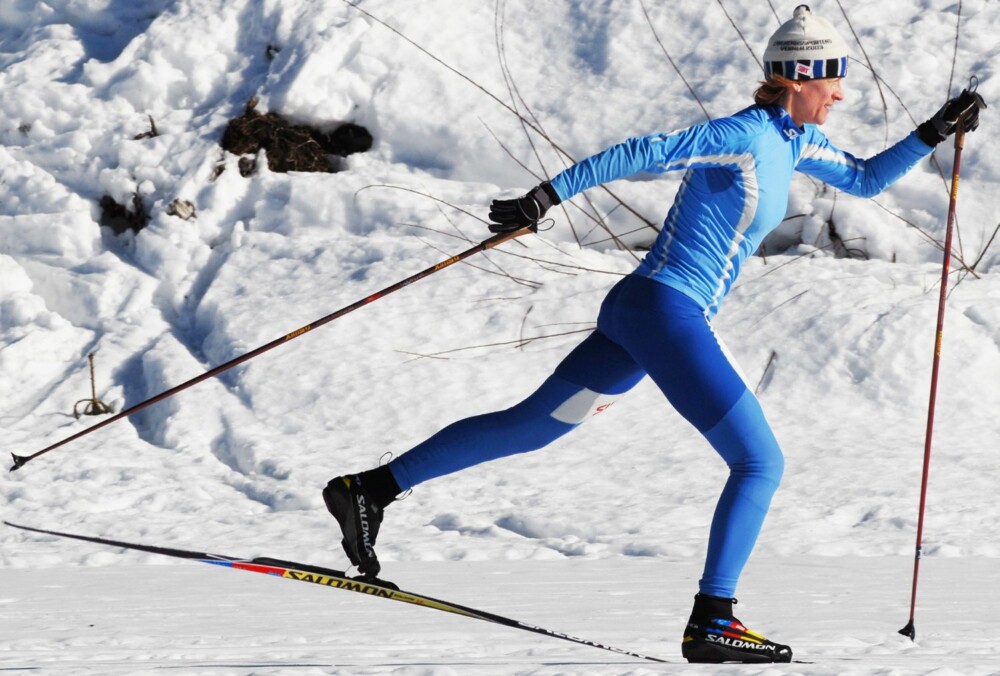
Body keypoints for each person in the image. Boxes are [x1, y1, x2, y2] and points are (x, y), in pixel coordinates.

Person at [322, 5, 985, 664]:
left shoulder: (798, 142)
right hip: (666, 314)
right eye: (831, 81)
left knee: (534, 425)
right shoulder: (747, 135)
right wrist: (547, 197)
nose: (840, 94)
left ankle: (369, 491)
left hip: (638, 318)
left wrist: (932, 131)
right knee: (760, 462)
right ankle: (714, 619)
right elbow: (646, 152)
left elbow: (866, 178)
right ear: (797, 78)